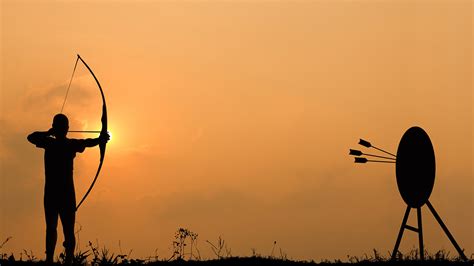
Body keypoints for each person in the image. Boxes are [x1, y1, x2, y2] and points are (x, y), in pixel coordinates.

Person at [27, 113, 109, 265]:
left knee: (59, 229)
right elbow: (30, 137)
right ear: (66, 128)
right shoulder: (57, 143)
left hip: (57, 193)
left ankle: (60, 260)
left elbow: (88, 142)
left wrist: (100, 139)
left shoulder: (52, 143)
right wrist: (101, 139)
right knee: (57, 228)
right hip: (61, 194)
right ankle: (56, 260)